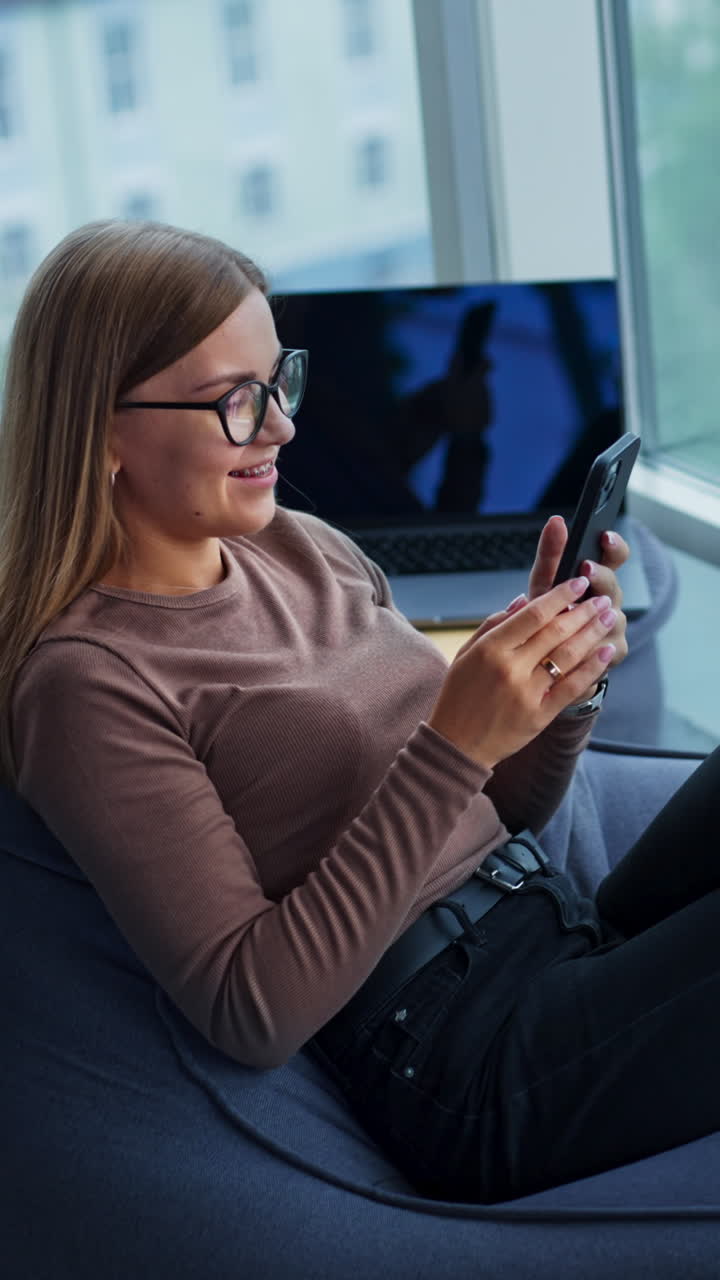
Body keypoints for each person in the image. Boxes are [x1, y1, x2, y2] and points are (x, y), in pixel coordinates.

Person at [1, 219, 718, 1207]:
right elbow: (249, 1009)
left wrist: (559, 687)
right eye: (234, 401)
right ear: (102, 430)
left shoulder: (302, 544)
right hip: (464, 1058)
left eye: (279, 381)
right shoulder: (87, 683)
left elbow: (493, 814)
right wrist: (453, 740)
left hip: (556, 928)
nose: (282, 429)